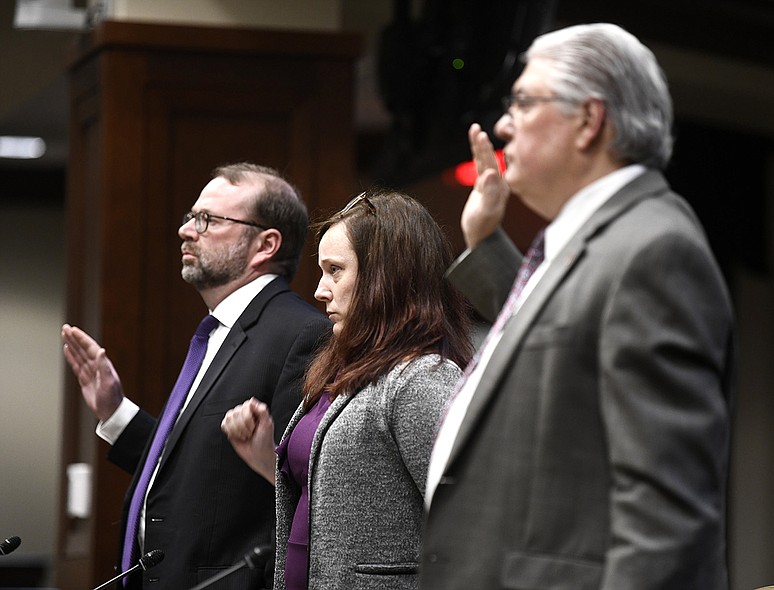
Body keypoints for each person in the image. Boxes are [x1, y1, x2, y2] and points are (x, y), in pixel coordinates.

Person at [420, 23, 736, 590]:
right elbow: (553, 335)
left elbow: (665, 521)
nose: (502, 123)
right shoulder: (603, 239)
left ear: (589, 121)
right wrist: (483, 242)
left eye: (523, 101)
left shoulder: (653, 249)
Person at [61, 163, 331, 590]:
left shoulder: (300, 335)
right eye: (190, 217)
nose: (188, 230)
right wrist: (115, 412)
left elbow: (305, 487)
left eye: (209, 220)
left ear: (265, 244)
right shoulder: (217, 331)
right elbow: (200, 473)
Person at [221, 190, 473, 590]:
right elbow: (345, 499)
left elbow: (472, 519)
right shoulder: (343, 370)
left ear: (386, 276)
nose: (321, 290)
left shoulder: (421, 377)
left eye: (335, 270)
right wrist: (265, 459)